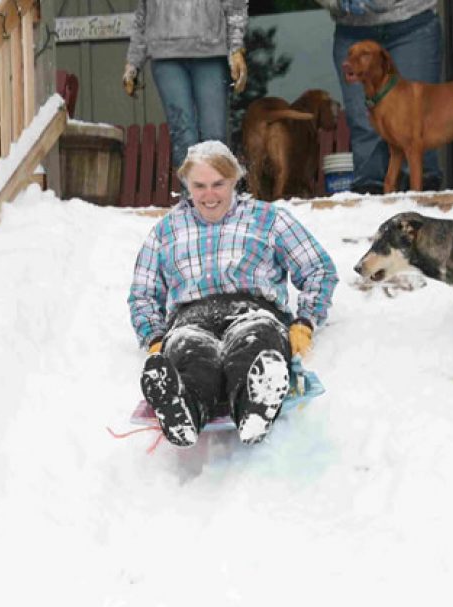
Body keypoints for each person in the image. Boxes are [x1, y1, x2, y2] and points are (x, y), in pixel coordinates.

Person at [128, 141, 339, 448]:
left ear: (235, 180)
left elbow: (319, 269)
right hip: (190, 319)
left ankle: (254, 406)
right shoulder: (167, 231)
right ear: (187, 184)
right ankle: (182, 408)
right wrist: (155, 337)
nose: (209, 195)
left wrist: (305, 321)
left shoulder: (268, 219)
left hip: (254, 311)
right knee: (191, 354)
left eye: (218, 184)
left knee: (253, 344)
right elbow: (143, 294)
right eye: (199, 186)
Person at [318, 0, 443, 194]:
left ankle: (423, 210)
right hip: (352, 29)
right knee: (365, 127)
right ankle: (371, 206)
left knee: (417, 124)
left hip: (412, 22)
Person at [122, 1, 249, 178]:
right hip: (165, 55)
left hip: (210, 52)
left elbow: (235, 5)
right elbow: (143, 16)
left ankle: (217, 198)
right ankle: (190, 197)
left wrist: (236, 48)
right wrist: (133, 62)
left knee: (214, 135)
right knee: (183, 134)